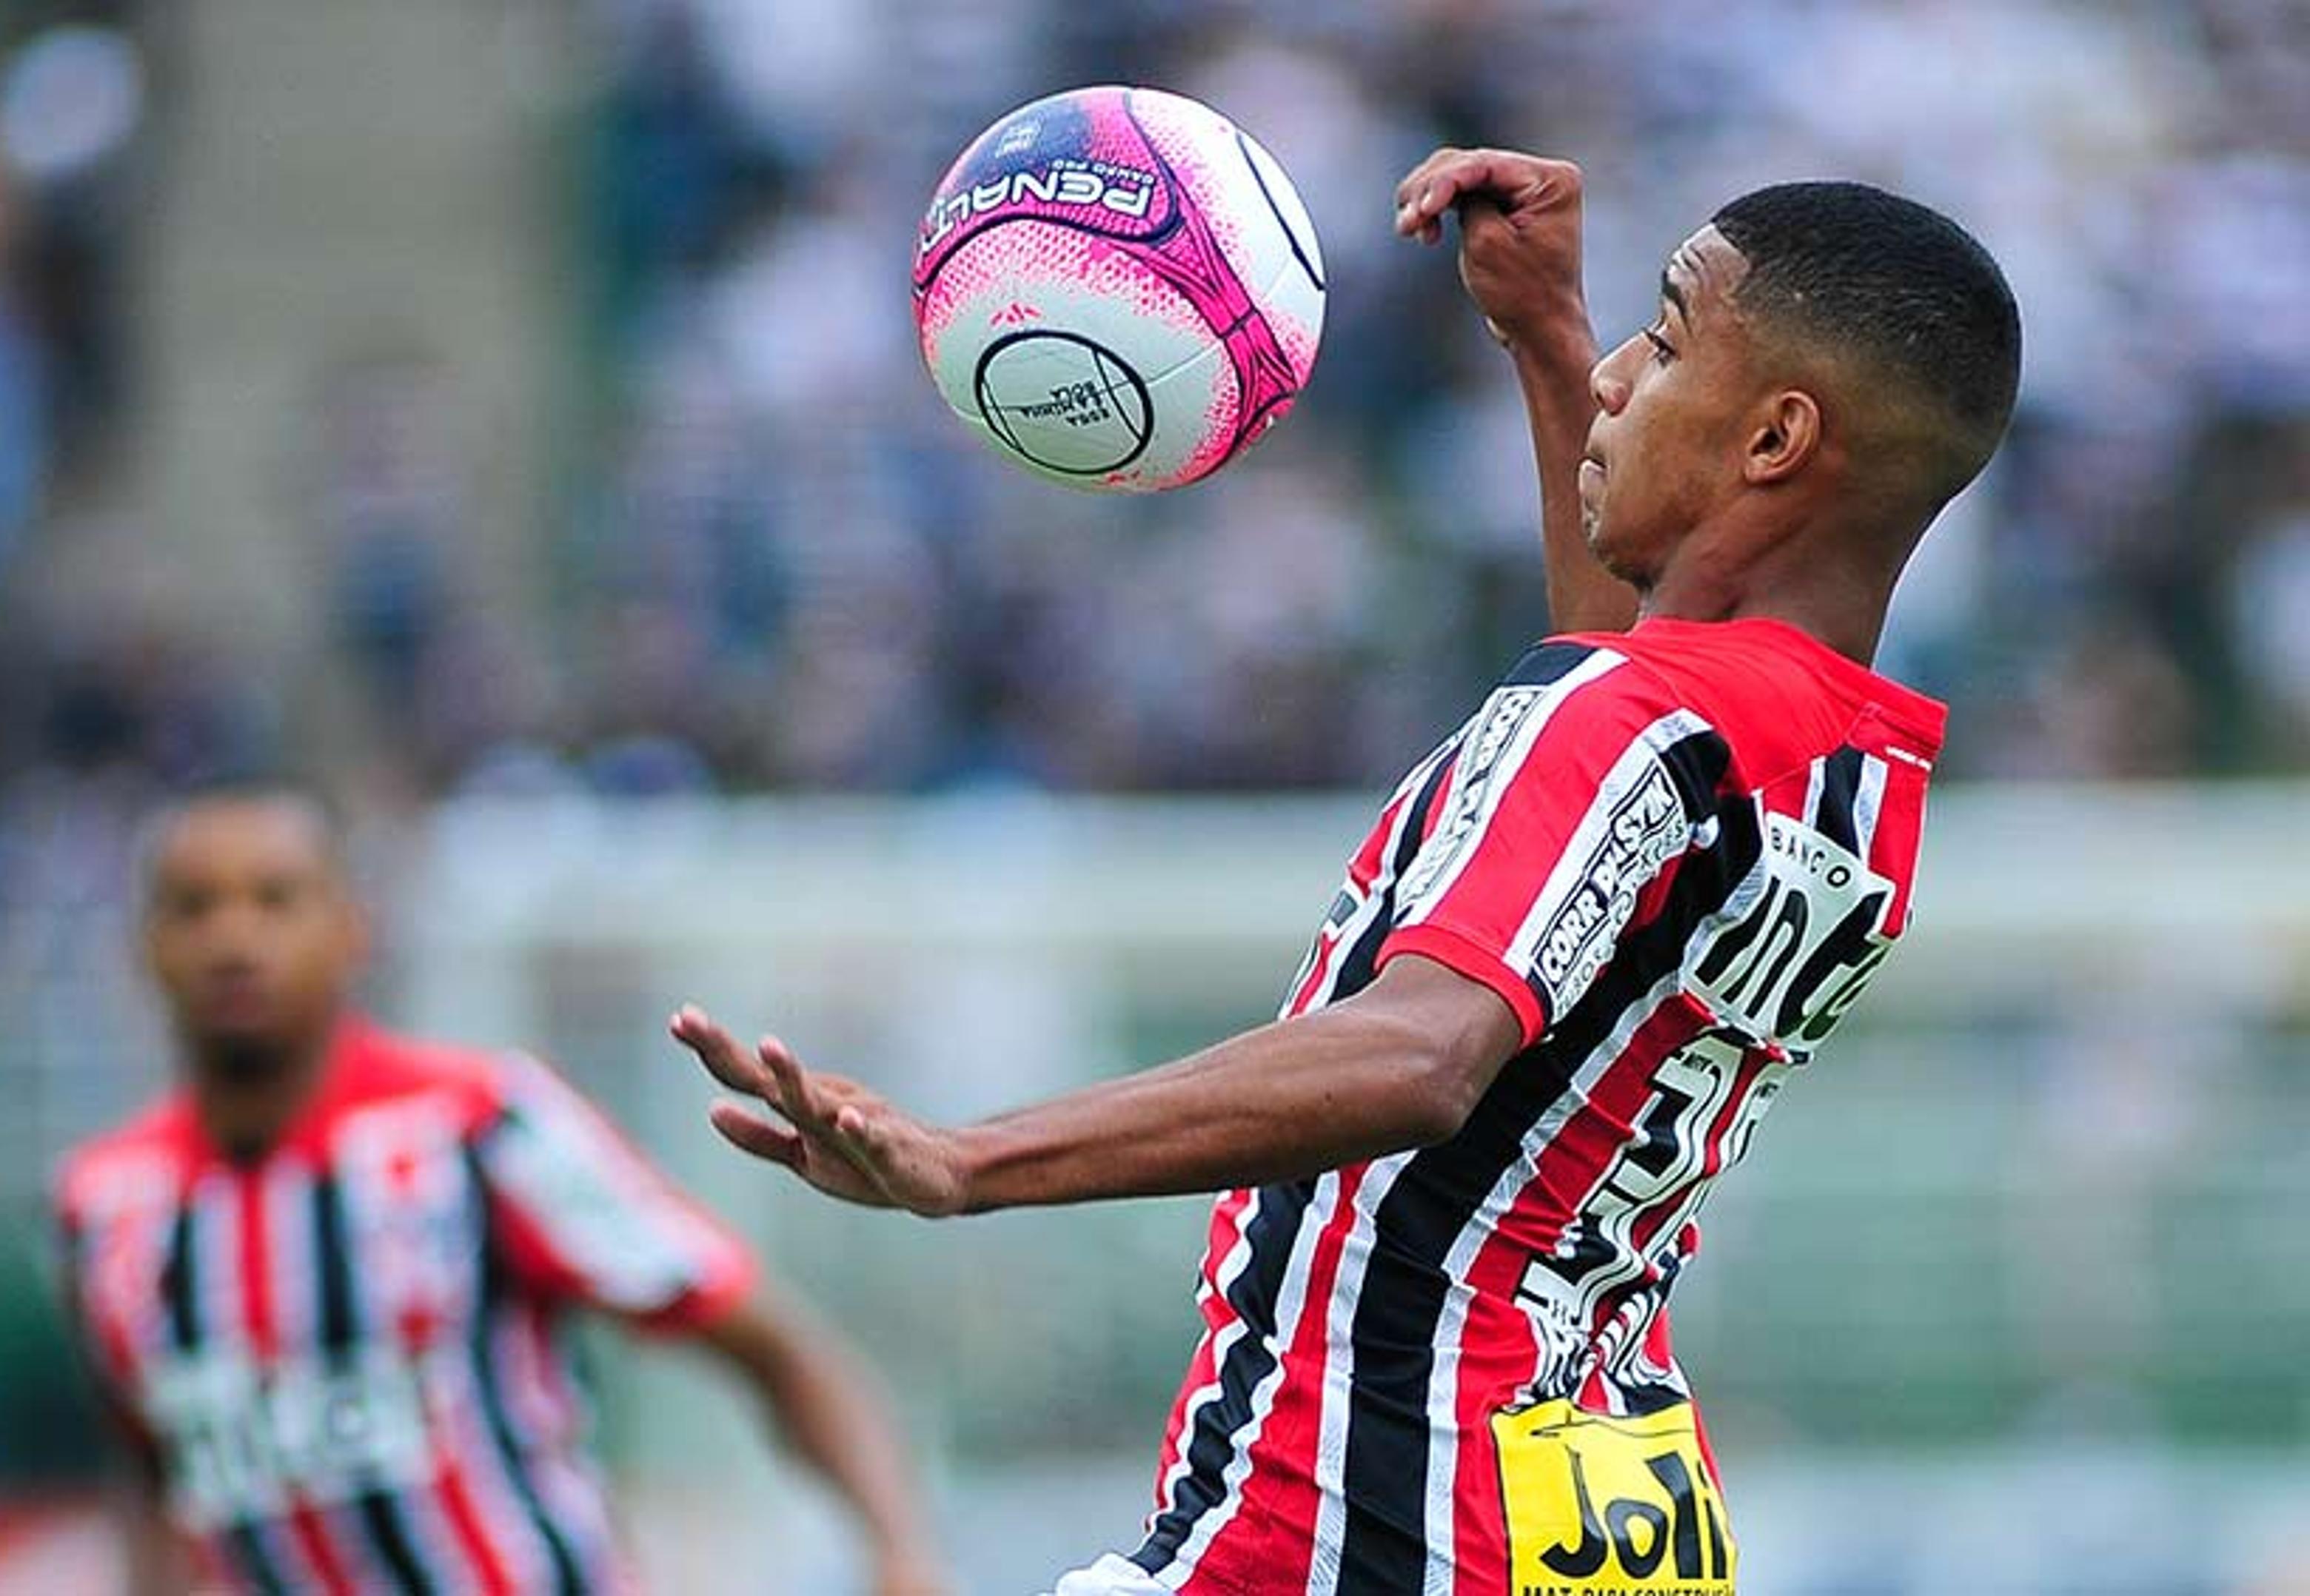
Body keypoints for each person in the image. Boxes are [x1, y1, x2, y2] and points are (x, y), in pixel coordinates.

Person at [671, 146, 2021, 1594]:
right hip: (1589, 1495)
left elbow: (1425, 1053)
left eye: (1666, 338)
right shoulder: (1850, 765)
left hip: (1363, 1499)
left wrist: (972, 1159)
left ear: (1772, 443)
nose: (1623, 375)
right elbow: (1624, 703)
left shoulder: (1640, 724)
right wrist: (1544, 333)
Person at [53, 781, 945, 1595]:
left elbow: (778, 1348)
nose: (234, 939)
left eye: (275, 899)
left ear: (350, 927)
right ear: (148, 944)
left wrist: (901, 1557)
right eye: (195, 907)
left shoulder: (479, 1127)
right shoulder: (107, 1205)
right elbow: (151, 1468)